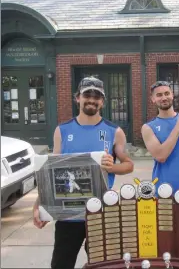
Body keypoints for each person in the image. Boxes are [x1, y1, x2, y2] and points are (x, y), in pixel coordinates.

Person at [32, 76, 134, 269]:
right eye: (87, 94)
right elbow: (51, 172)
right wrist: (40, 206)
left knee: (103, 264)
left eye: (97, 96)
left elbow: (128, 165)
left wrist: (111, 167)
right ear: (77, 98)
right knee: (61, 264)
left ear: (102, 101)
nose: (92, 100)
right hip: (69, 213)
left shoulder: (114, 131)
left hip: (101, 212)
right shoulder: (62, 130)